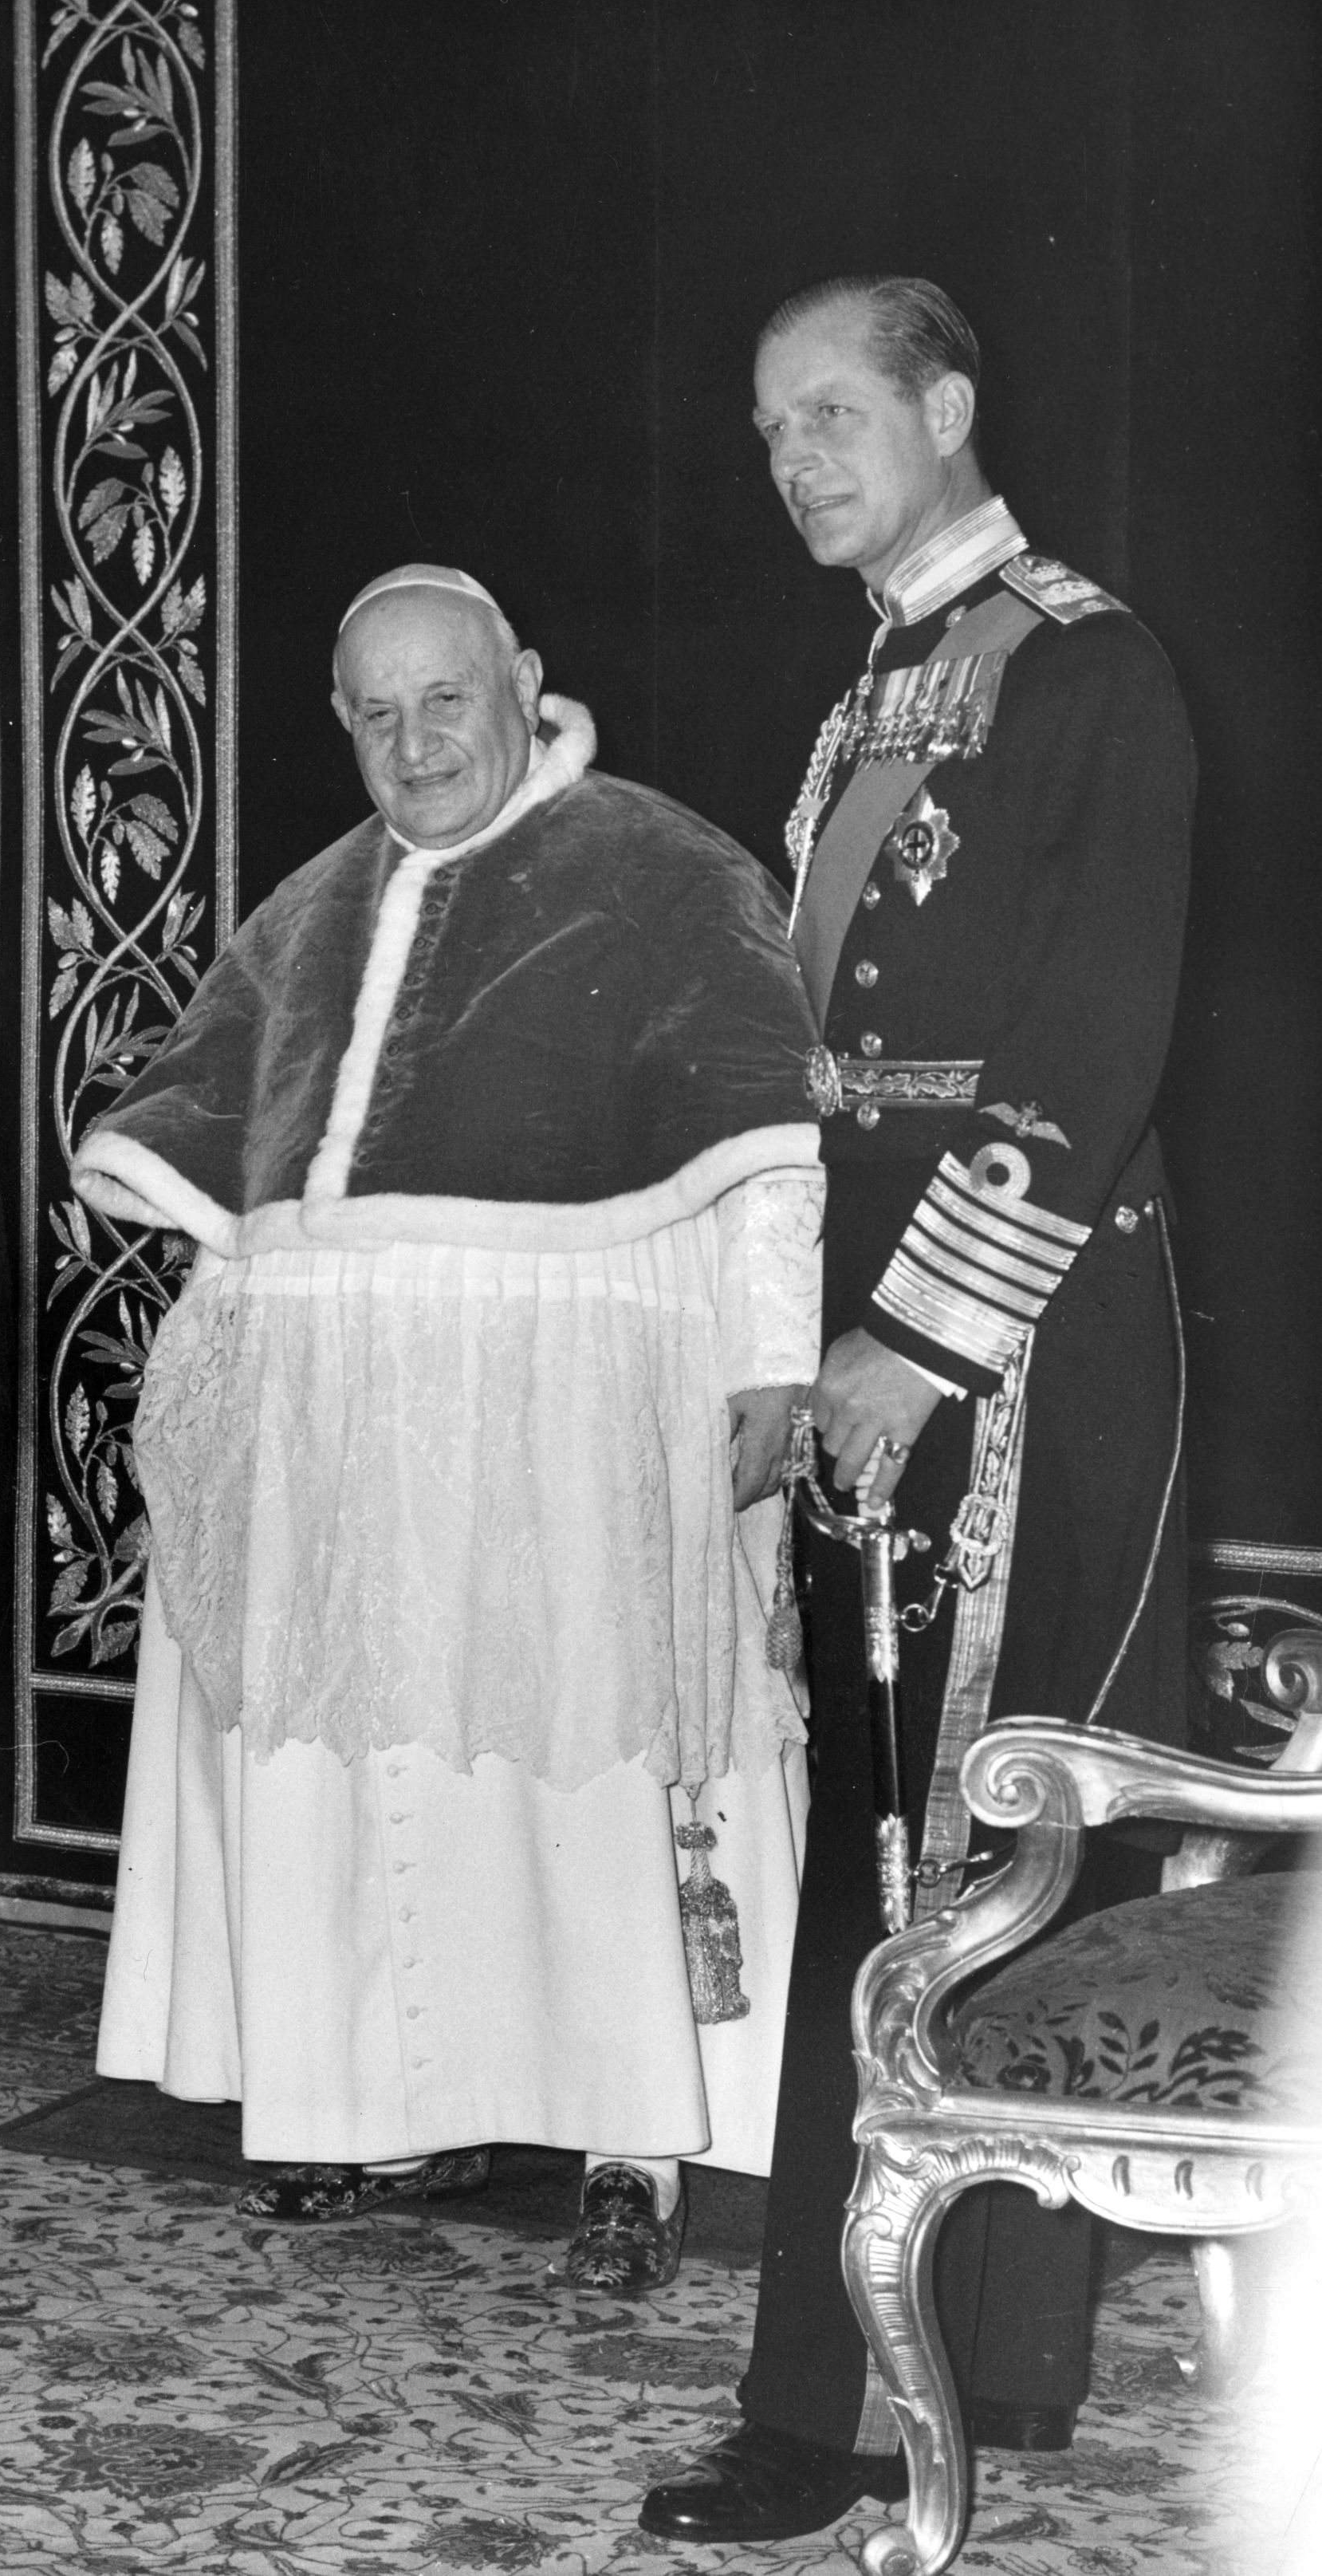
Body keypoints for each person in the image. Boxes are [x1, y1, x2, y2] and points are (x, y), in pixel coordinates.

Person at [77, 565, 823, 2292]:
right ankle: (382, 2103)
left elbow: (768, 1157)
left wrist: (771, 1372)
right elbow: (229, 1170)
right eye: (374, 714)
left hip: (572, 1418)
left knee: (579, 1765)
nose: (413, 743)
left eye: (445, 701)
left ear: (523, 681)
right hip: (342, 1438)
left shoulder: (662, 867)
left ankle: (635, 2136)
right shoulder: (314, 903)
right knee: (367, 1768)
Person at [643, 278, 1194, 2543]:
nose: (794, 455)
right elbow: (815, 1056)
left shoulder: (1090, 668)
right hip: (874, 1326)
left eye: (835, 411)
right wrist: (790, 1335)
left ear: (949, 409)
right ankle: (879, 2368)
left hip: (1031, 1345)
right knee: (880, 1851)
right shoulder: (872, 684)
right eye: (771, 424)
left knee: (973, 1861)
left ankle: (898, 2396)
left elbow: (1090, 1055)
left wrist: (917, 1334)